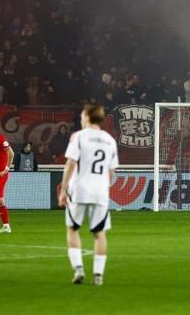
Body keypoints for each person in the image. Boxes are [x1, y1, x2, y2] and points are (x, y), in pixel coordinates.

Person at [57, 104, 118, 286]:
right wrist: (104, 188)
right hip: (100, 192)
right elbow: (111, 171)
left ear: (88, 117)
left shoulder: (79, 137)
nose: (81, 119)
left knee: (73, 229)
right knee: (100, 234)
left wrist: (63, 190)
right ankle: (98, 275)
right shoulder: (109, 140)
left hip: (80, 190)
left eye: (83, 115)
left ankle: (79, 270)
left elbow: (70, 164)